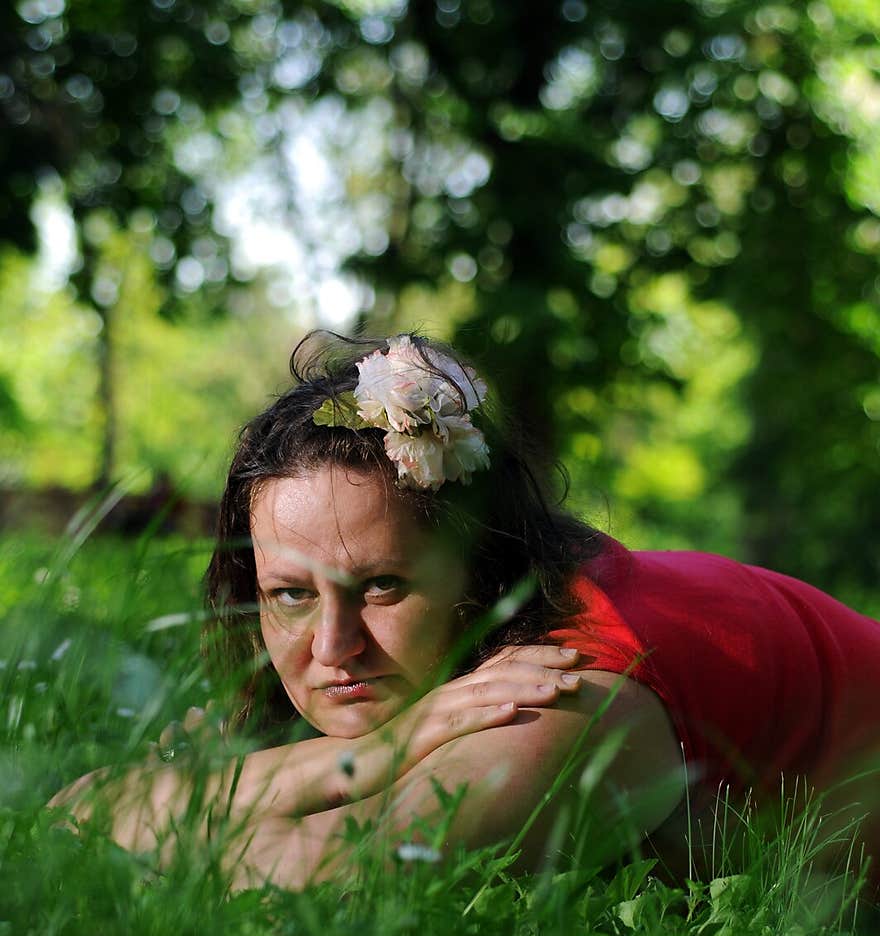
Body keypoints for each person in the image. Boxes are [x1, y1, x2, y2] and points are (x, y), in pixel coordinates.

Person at [49, 332, 880, 900]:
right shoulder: (506, 639)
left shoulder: (563, 695)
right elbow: (78, 806)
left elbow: (315, 876)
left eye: (381, 587)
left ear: (479, 571)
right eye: (291, 595)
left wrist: (199, 794)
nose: (332, 647)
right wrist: (383, 751)